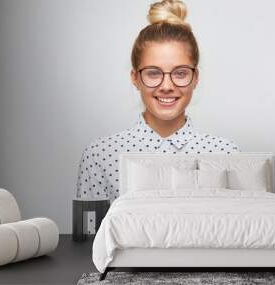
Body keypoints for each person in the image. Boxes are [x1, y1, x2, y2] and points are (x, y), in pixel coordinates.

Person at [76, 0, 240, 202]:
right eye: (153, 73)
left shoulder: (225, 153)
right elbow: (91, 233)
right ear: (135, 78)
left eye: (180, 73)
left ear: (195, 78)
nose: (167, 86)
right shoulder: (100, 155)